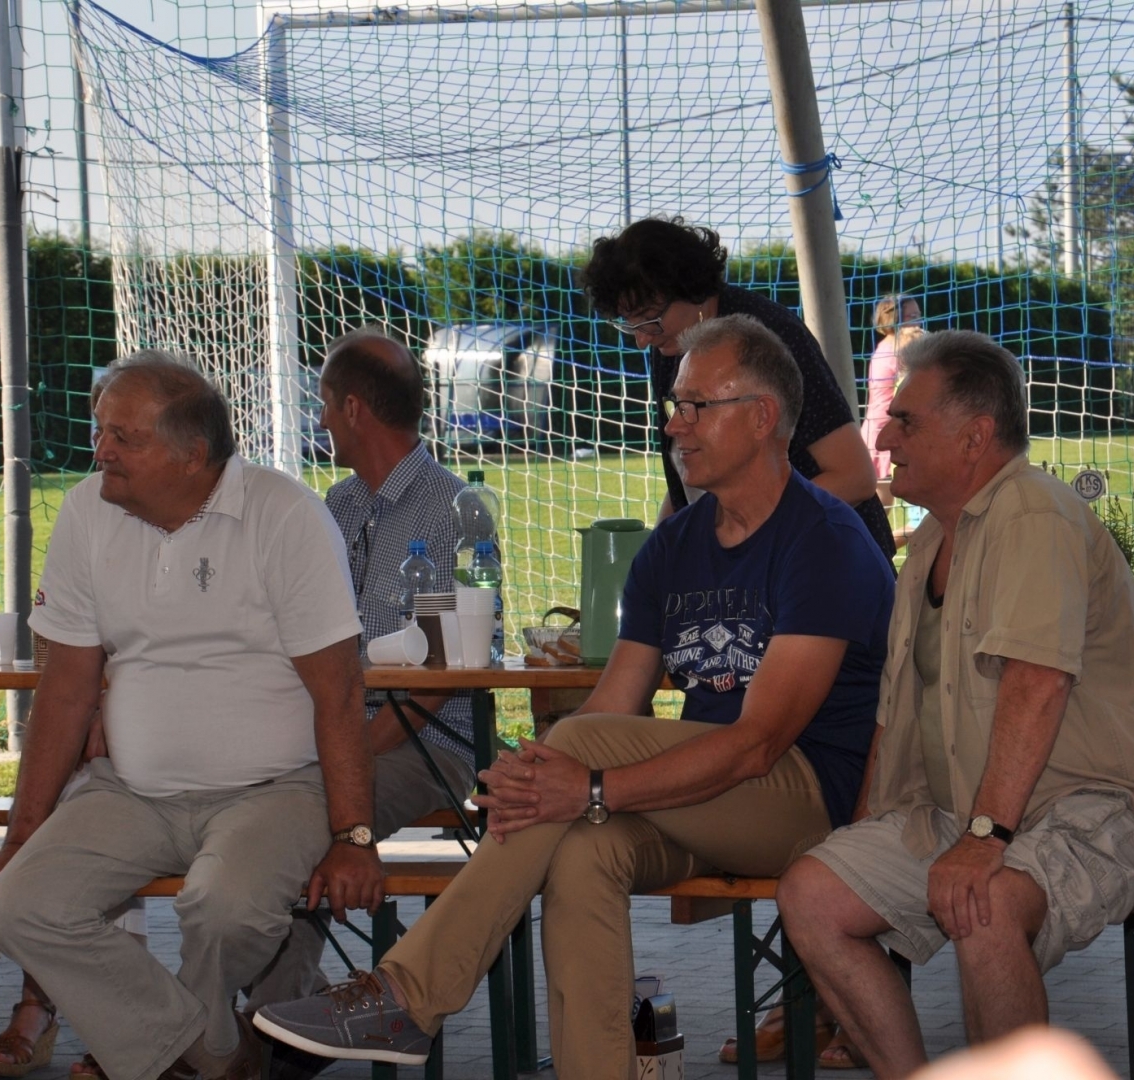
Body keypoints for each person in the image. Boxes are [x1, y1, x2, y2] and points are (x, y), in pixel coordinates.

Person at [254, 314, 895, 1078]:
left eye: (696, 406)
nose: (674, 425)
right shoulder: (675, 546)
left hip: (806, 798)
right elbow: (610, 706)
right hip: (701, 795)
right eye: (673, 406)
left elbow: (757, 741)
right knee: (583, 851)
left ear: (761, 419)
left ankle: (405, 995)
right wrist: (540, 779)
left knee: (576, 773)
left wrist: (585, 782)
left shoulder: (820, 538)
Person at [774, 330, 1134, 1078]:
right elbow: (893, 713)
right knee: (812, 895)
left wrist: (981, 838)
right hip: (978, 809)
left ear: (975, 436)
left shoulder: (1031, 513)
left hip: (1103, 806)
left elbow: (1036, 684)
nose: (881, 434)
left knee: (986, 903)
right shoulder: (929, 543)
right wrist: (867, 834)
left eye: (905, 420)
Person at [0, 351, 383, 1080]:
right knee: (18, 904)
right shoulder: (84, 512)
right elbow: (65, 688)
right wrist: (19, 838)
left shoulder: (284, 514)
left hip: (277, 788)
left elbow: (339, 690)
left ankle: (175, 1055)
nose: (101, 452)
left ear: (195, 455)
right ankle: (214, 1054)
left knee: (223, 911)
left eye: (125, 438)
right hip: (126, 788)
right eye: (101, 433)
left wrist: (352, 835)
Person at [243, 330, 478, 1075]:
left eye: (322, 407)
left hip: (430, 745)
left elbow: (444, 667)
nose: (318, 423)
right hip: (334, 741)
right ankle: (280, 1010)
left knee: (302, 817)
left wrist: (333, 749)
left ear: (352, 409)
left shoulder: (455, 508)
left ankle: (267, 1039)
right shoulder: (328, 508)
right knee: (257, 812)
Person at [580, 215, 896, 560]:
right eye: (631, 325)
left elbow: (854, 478)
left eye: (651, 320)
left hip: (831, 564)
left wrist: (742, 532)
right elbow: (685, 483)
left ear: (693, 290)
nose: (642, 340)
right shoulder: (671, 346)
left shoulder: (770, 340)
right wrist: (663, 559)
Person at [863, 292, 923, 500]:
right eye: (912, 316)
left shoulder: (886, 345)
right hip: (885, 426)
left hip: (881, 425)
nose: (919, 322)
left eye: (919, 315)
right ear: (894, 319)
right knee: (882, 499)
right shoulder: (899, 347)